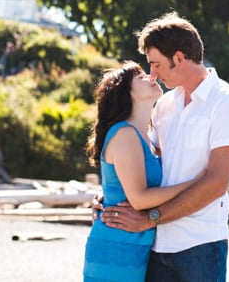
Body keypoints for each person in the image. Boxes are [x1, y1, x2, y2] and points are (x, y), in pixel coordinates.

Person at [100, 12, 229, 282]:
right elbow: (145, 162)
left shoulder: (226, 102)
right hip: (157, 245)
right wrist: (109, 198)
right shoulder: (165, 105)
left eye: (156, 64)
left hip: (201, 245)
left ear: (179, 58)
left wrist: (150, 218)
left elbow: (217, 182)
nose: (152, 74)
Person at [82, 60, 200, 281]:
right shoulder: (125, 134)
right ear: (127, 94)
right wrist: (195, 184)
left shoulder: (147, 136)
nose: (151, 76)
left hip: (138, 244)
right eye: (141, 77)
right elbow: (139, 199)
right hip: (117, 244)